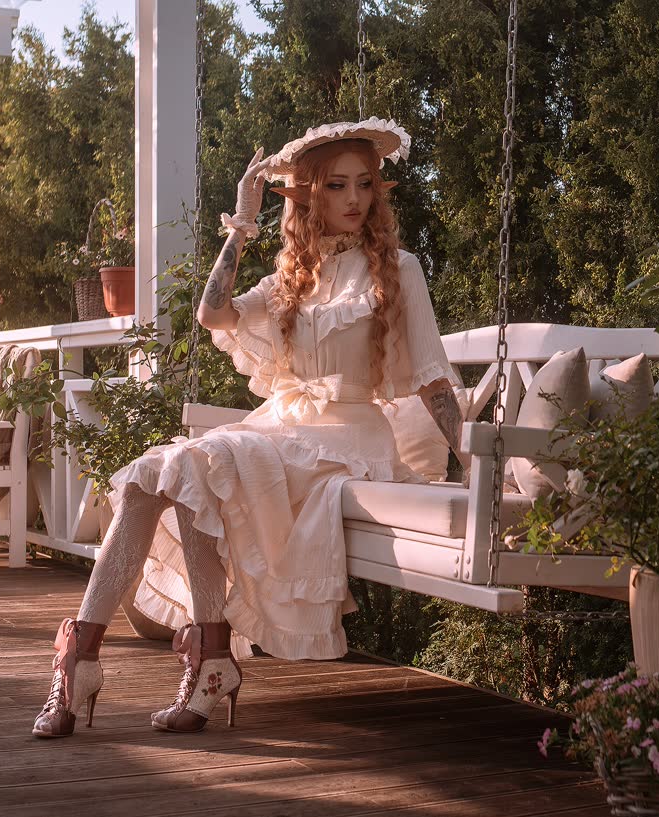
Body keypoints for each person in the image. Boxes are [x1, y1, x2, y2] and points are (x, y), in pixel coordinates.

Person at [31, 118, 465, 739]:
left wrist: (478, 458)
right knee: (160, 475)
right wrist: (241, 223)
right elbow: (213, 313)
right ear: (308, 196)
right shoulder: (294, 275)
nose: (354, 199)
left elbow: (431, 377)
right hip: (283, 427)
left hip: (348, 439)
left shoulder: (399, 268)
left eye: (364, 184)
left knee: (196, 466)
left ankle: (174, 662)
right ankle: (98, 655)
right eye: (336, 185)